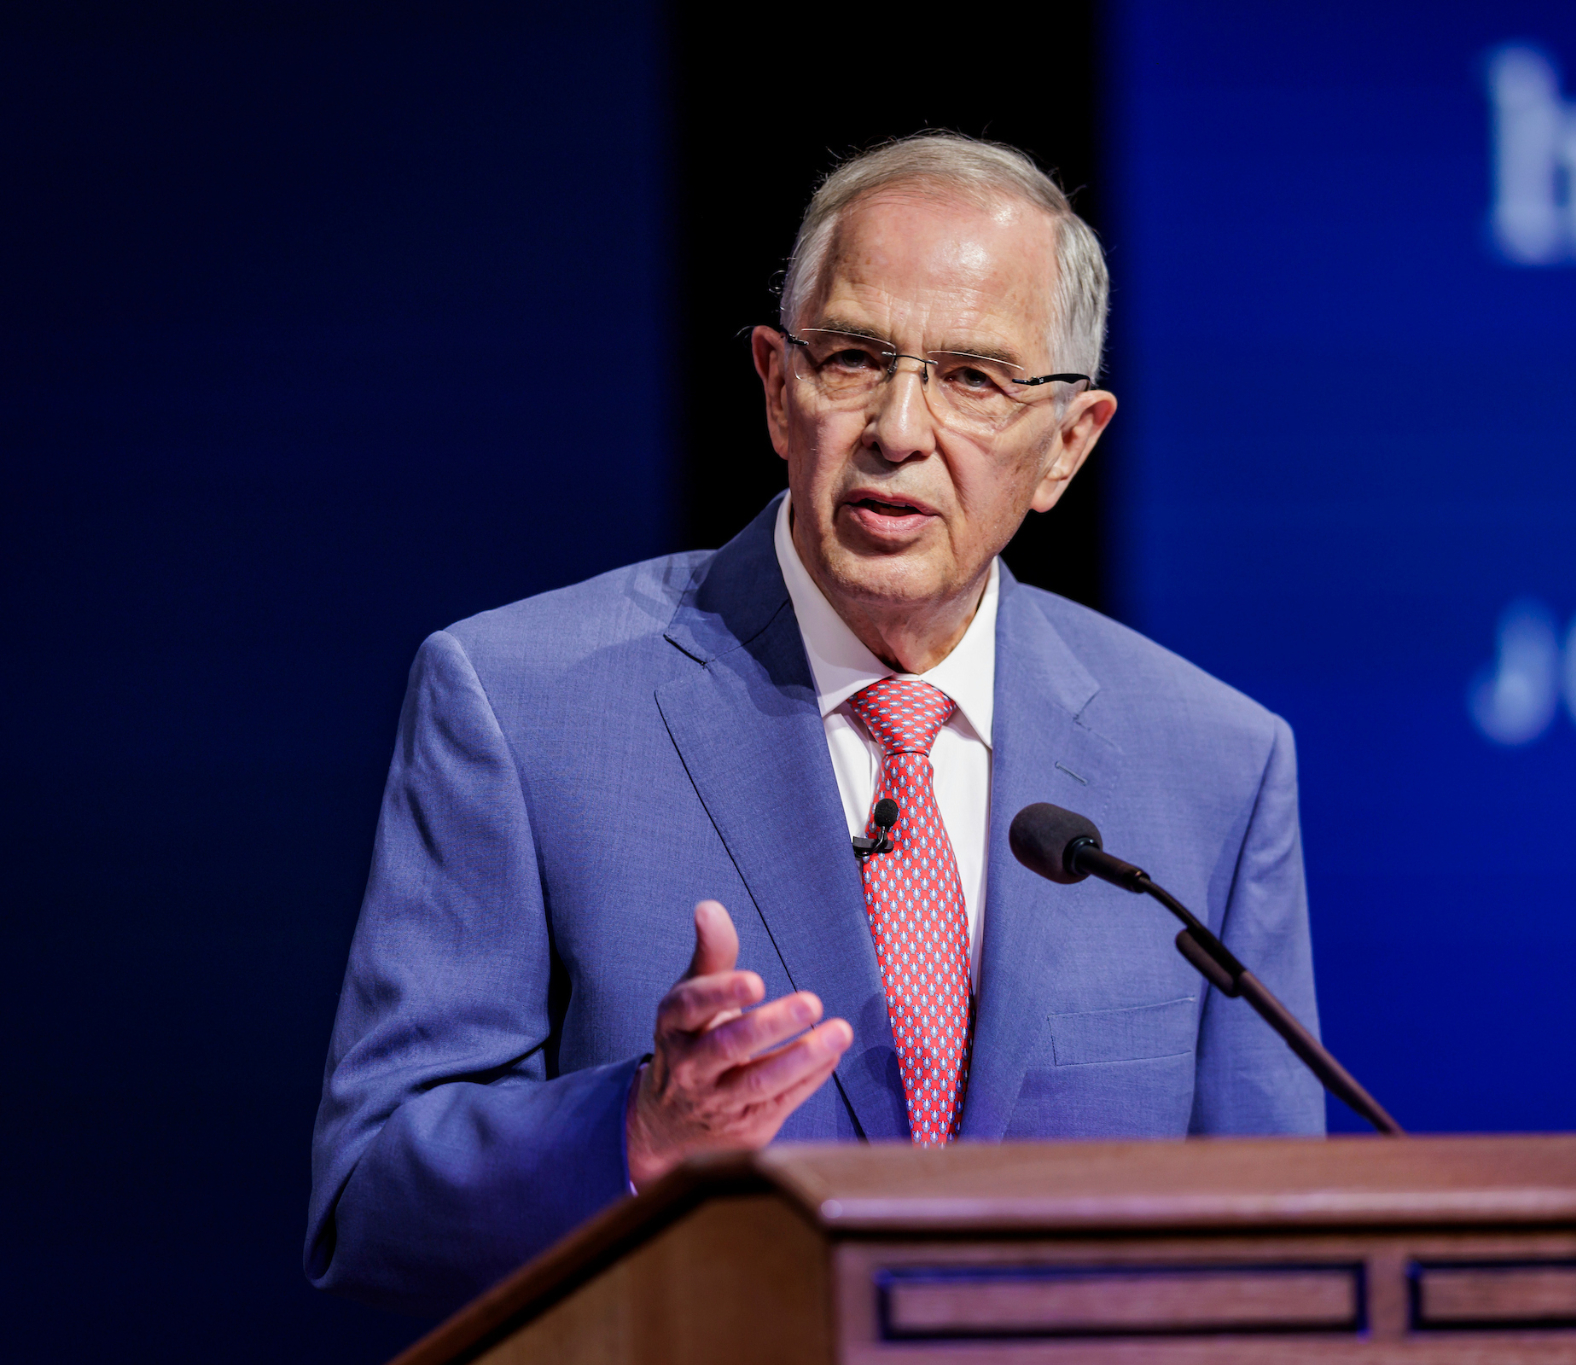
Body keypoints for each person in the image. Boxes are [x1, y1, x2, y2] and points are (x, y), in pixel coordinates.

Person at [307, 133, 1323, 1319]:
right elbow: (372, 1199)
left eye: (972, 379)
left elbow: (1279, 1256)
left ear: (1068, 445)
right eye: (852, 358)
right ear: (775, 390)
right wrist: (641, 1128)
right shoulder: (520, 700)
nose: (897, 427)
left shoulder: (1212, 762)